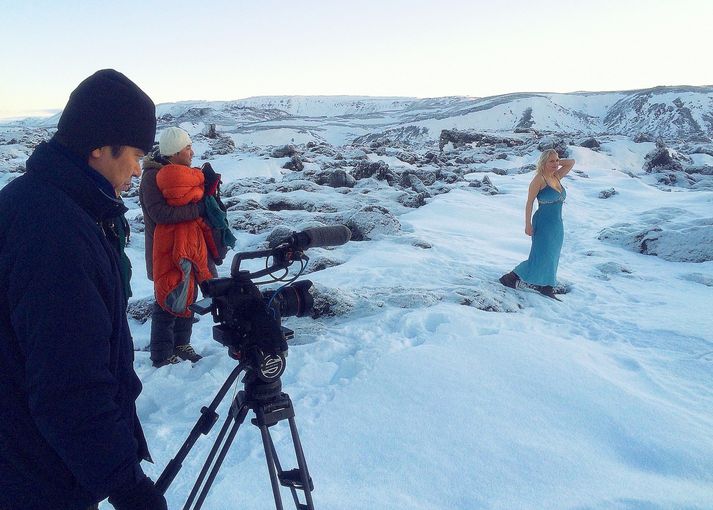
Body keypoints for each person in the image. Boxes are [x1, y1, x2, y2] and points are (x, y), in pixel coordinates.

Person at [0, 70, 167, 509]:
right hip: (39, 476)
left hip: (31, 458)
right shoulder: (56, 232)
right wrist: (127, 486)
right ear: (98, 146)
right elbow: (69, 385)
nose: (137, 170)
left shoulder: (42, 202)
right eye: (134, 154)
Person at [139, 127, 213, 368]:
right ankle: (161, 354)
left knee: (188, 294)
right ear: (174, 152)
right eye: (188, 148)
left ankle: (181, 344)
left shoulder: (181, 174)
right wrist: (198, 210)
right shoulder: (152, 177)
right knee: (166, 299)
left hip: (186, 246)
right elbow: (159, 213)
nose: (192, 152)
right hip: (163, 250)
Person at [500, 149, 575, 299]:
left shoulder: (556, 176)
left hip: (557, 223)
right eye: (551, 161)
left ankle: (547, 286)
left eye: (556, 160)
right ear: (544, 162)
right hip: (543, 222)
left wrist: (557, 162)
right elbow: (529, 203)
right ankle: (511, 277)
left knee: (553, 255)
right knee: (540, 255)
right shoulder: (539, 180)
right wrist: (527, 224)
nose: (555, 164)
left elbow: (571, 163)